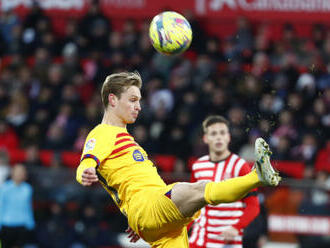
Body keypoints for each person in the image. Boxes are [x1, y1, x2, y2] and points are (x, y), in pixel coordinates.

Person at [75, 72, 281, 248]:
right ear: (112, 100)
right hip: (149, 208)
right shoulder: (103, 133)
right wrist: (86, 171)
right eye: (132, 100)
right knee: (200, 188)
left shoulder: (126, 139)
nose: (139, 106)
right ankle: (257, 176)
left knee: (199, 190)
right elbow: (86, 161)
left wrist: (139, 220)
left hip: (156, 221)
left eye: (139, 100)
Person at [189, 115, 260, 248]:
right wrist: (182, 231)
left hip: (227, 242)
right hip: (199, 240)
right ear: (205, 138)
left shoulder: (240, 166)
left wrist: (236, 227)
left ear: (229, 137)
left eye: (222, 133)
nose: (218, 137)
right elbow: (192, 205)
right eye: (213, 133)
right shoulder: (198, 166)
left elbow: (253, 206)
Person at [0, 163, 35, 247]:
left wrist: (30, 223)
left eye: (22, 172)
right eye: (18, 171)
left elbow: (28, 207)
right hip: (6, 225)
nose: (20, 174)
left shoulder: (28, 189)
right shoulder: (4, 188)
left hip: (22, 225)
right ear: (12, 173)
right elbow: (1, 206)